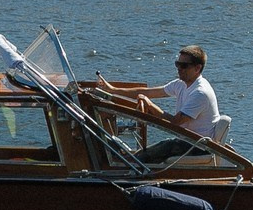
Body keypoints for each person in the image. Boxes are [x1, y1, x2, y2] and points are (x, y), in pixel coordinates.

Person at [92, 45, 220, 163]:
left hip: (199, 146)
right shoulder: (181, 84)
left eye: (184, 65)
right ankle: (127, 160)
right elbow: (149, 92)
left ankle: (125, 165)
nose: (179, 69)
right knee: (160, 148)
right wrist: (112, 90)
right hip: (185, 141)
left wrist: (151, 107)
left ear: (197, 68)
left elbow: (176, 122)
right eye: (177, 64)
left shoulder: (200, 93)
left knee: (167, 145)